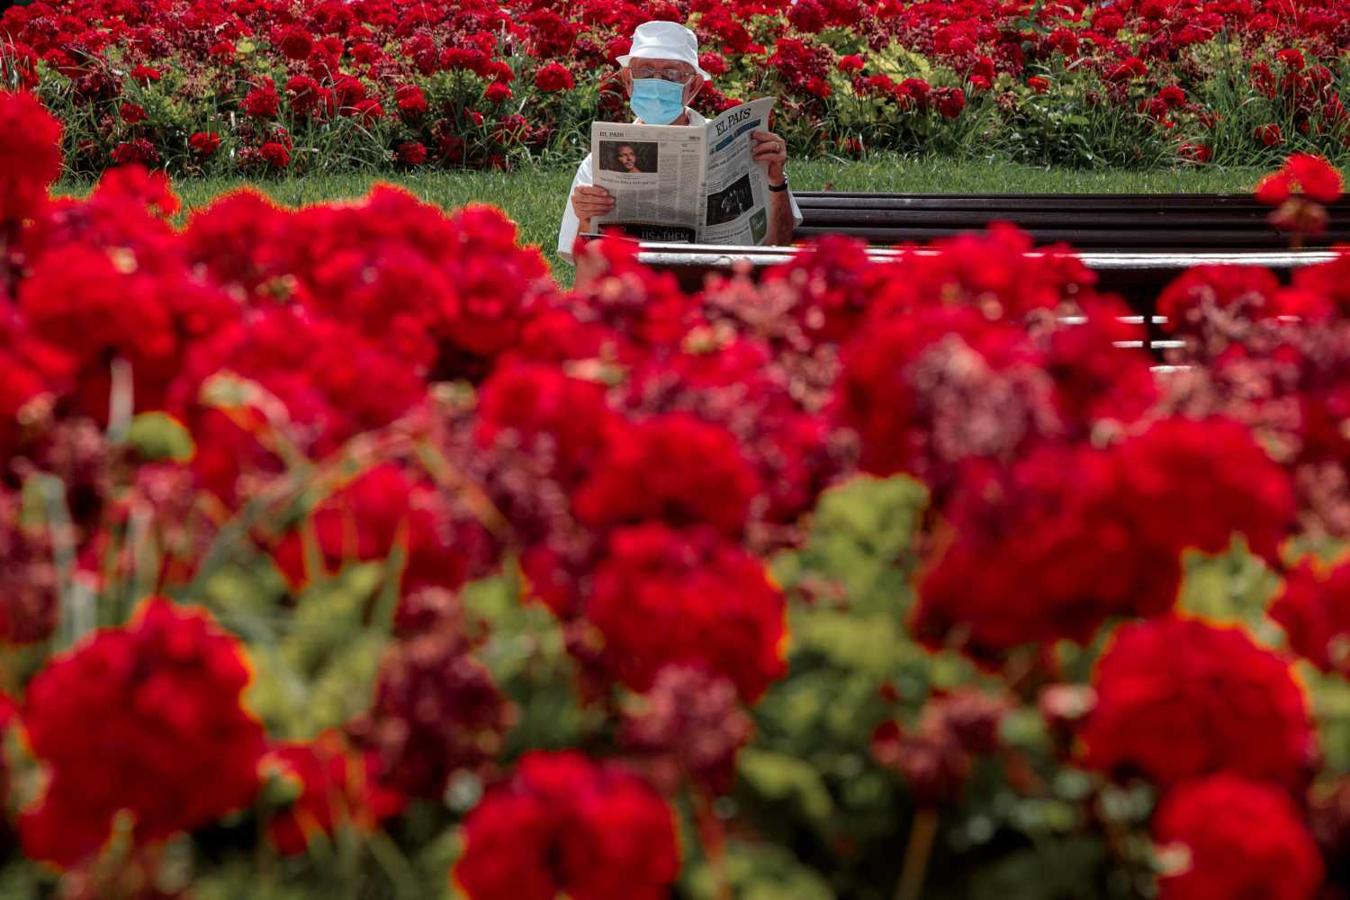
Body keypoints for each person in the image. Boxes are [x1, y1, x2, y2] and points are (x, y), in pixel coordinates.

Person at [557, 20, 800, 263]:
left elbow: (778, 244)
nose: (657, 81)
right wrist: (586, 218)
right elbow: (584, 262)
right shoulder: (599, 161)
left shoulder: (741, 144)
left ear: (693, 85)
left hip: (714, 284)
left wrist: (776, 180)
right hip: (635, 289)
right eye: (645, 71)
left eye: (672, 73)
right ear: (628, 80)